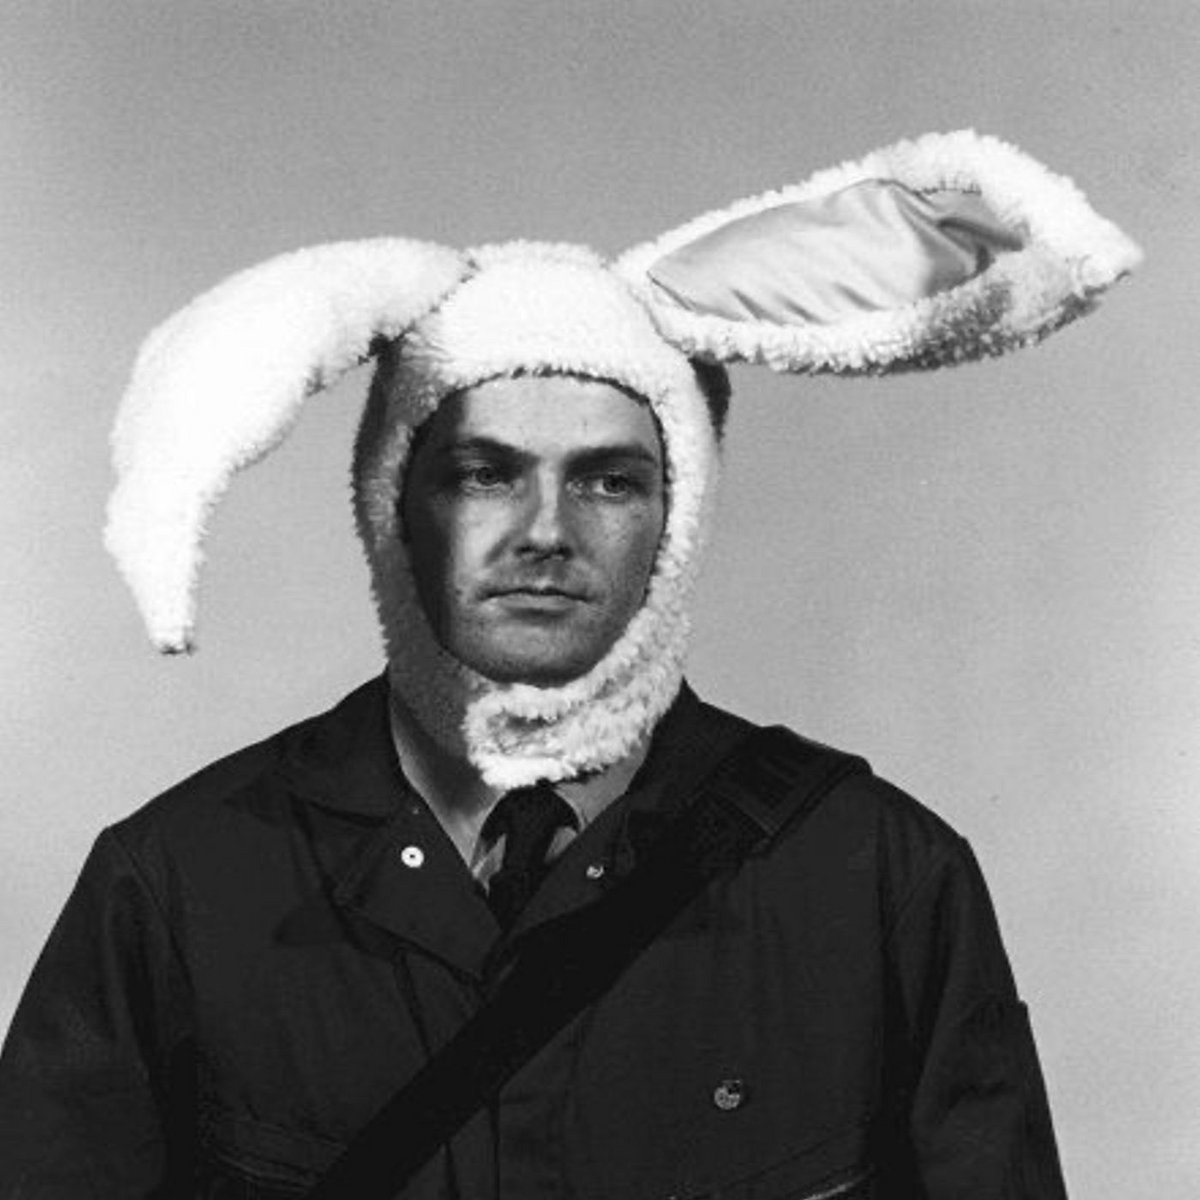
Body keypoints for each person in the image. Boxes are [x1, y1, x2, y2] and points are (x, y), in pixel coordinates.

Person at [0, 131, 1139, 1198]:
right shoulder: (180, 885)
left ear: (676, 513)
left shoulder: (878, 877)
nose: (544, 531)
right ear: (393, 507)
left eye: (607, 480)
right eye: (483, 473)